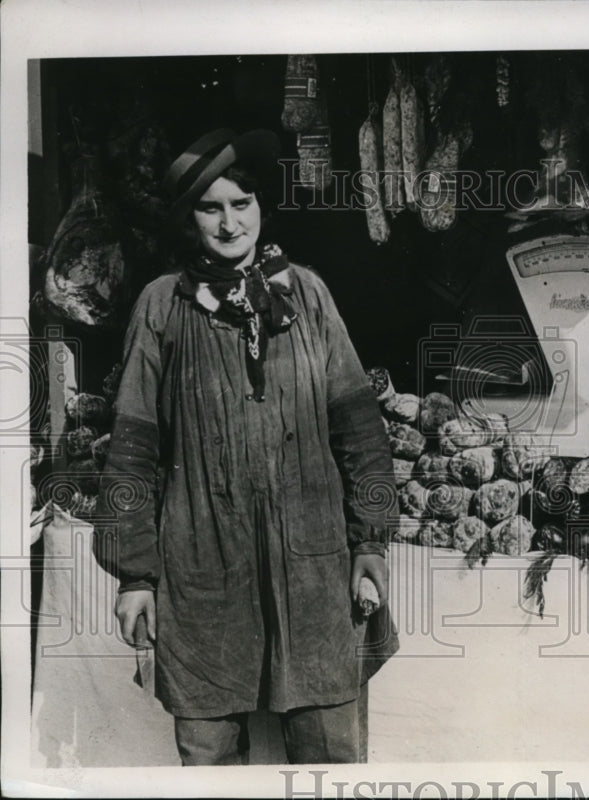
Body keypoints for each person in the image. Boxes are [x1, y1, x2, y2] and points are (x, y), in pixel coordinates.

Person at [97, 128, 398, 765]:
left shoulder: (308, 295)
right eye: (211, 207)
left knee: (328, 758)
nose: (230, 222)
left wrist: (369, 538)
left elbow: (358, 427)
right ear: (190, 220)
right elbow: (131, 449)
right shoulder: (163, 307)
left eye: (243, 203)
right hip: (202, 566)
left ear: (262, 207)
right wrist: (135, 574)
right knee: (208, 758)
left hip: (313, 568)